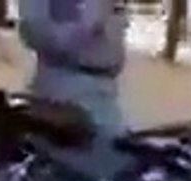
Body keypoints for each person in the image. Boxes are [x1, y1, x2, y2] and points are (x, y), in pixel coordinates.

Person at [16, 0, 128, 135]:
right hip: (78, 89)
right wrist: (88, 28)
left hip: (84, 85)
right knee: (112, 149)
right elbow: (35, 29)